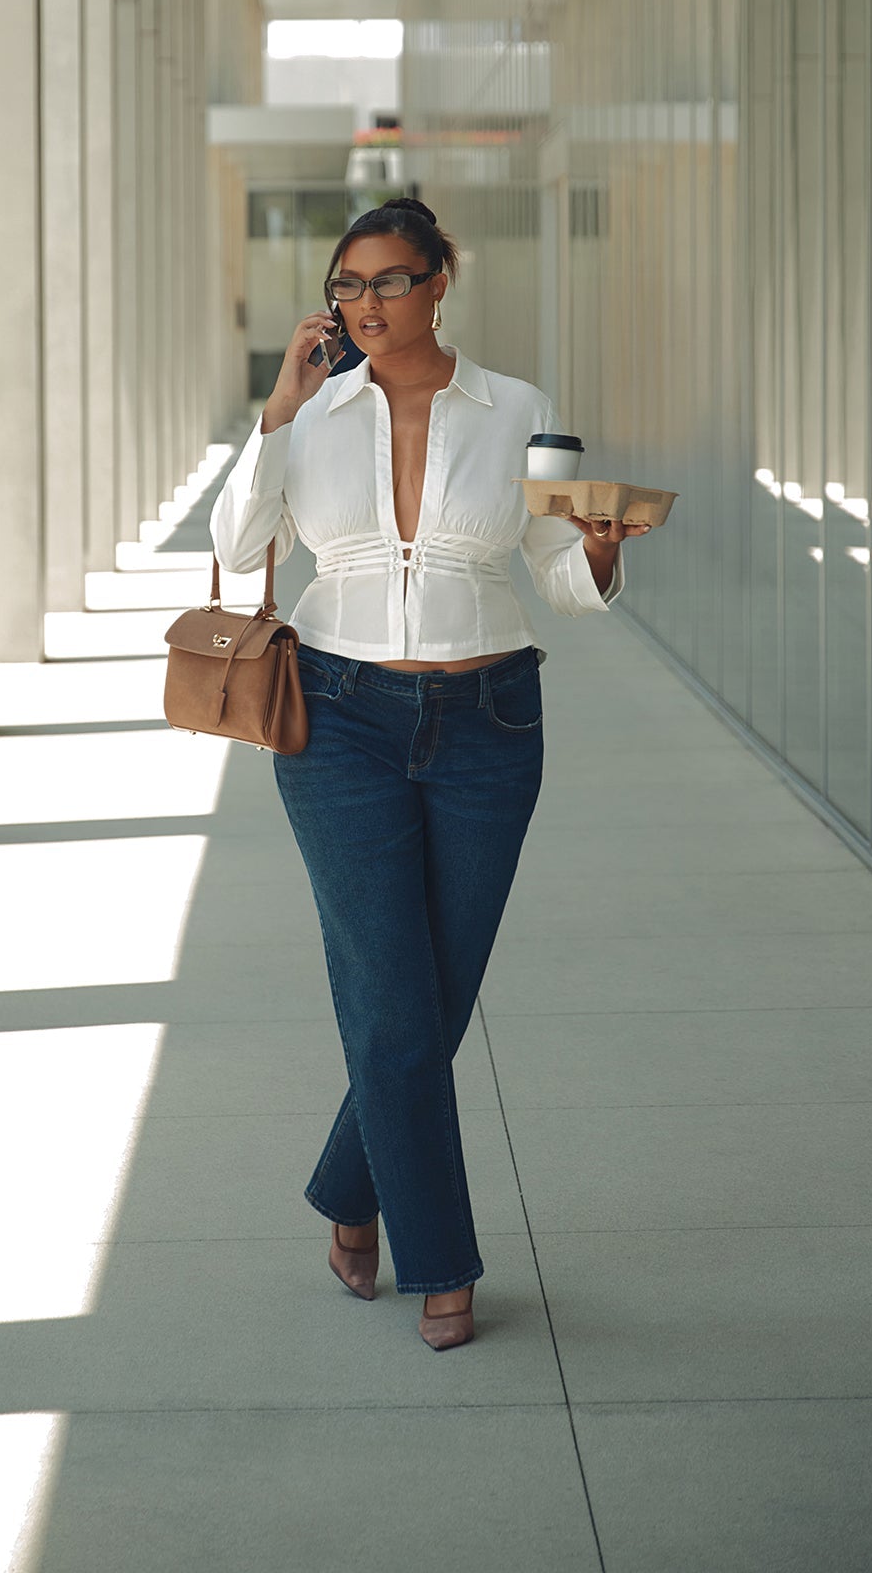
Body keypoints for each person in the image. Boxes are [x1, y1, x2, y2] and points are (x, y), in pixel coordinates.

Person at [208, 197, 651, 1351]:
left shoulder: (521, 409)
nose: (365, 306)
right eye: (346, 285)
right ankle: (440, 1262)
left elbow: (556, 573)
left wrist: (597, 551)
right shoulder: (311, 412)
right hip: (337, 717)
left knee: (434, 997)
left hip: (489, 716)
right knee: (395, 999)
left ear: (441, 279)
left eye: (389, 282)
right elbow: (238, 548)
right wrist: (277, 411)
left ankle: (347, 1189)